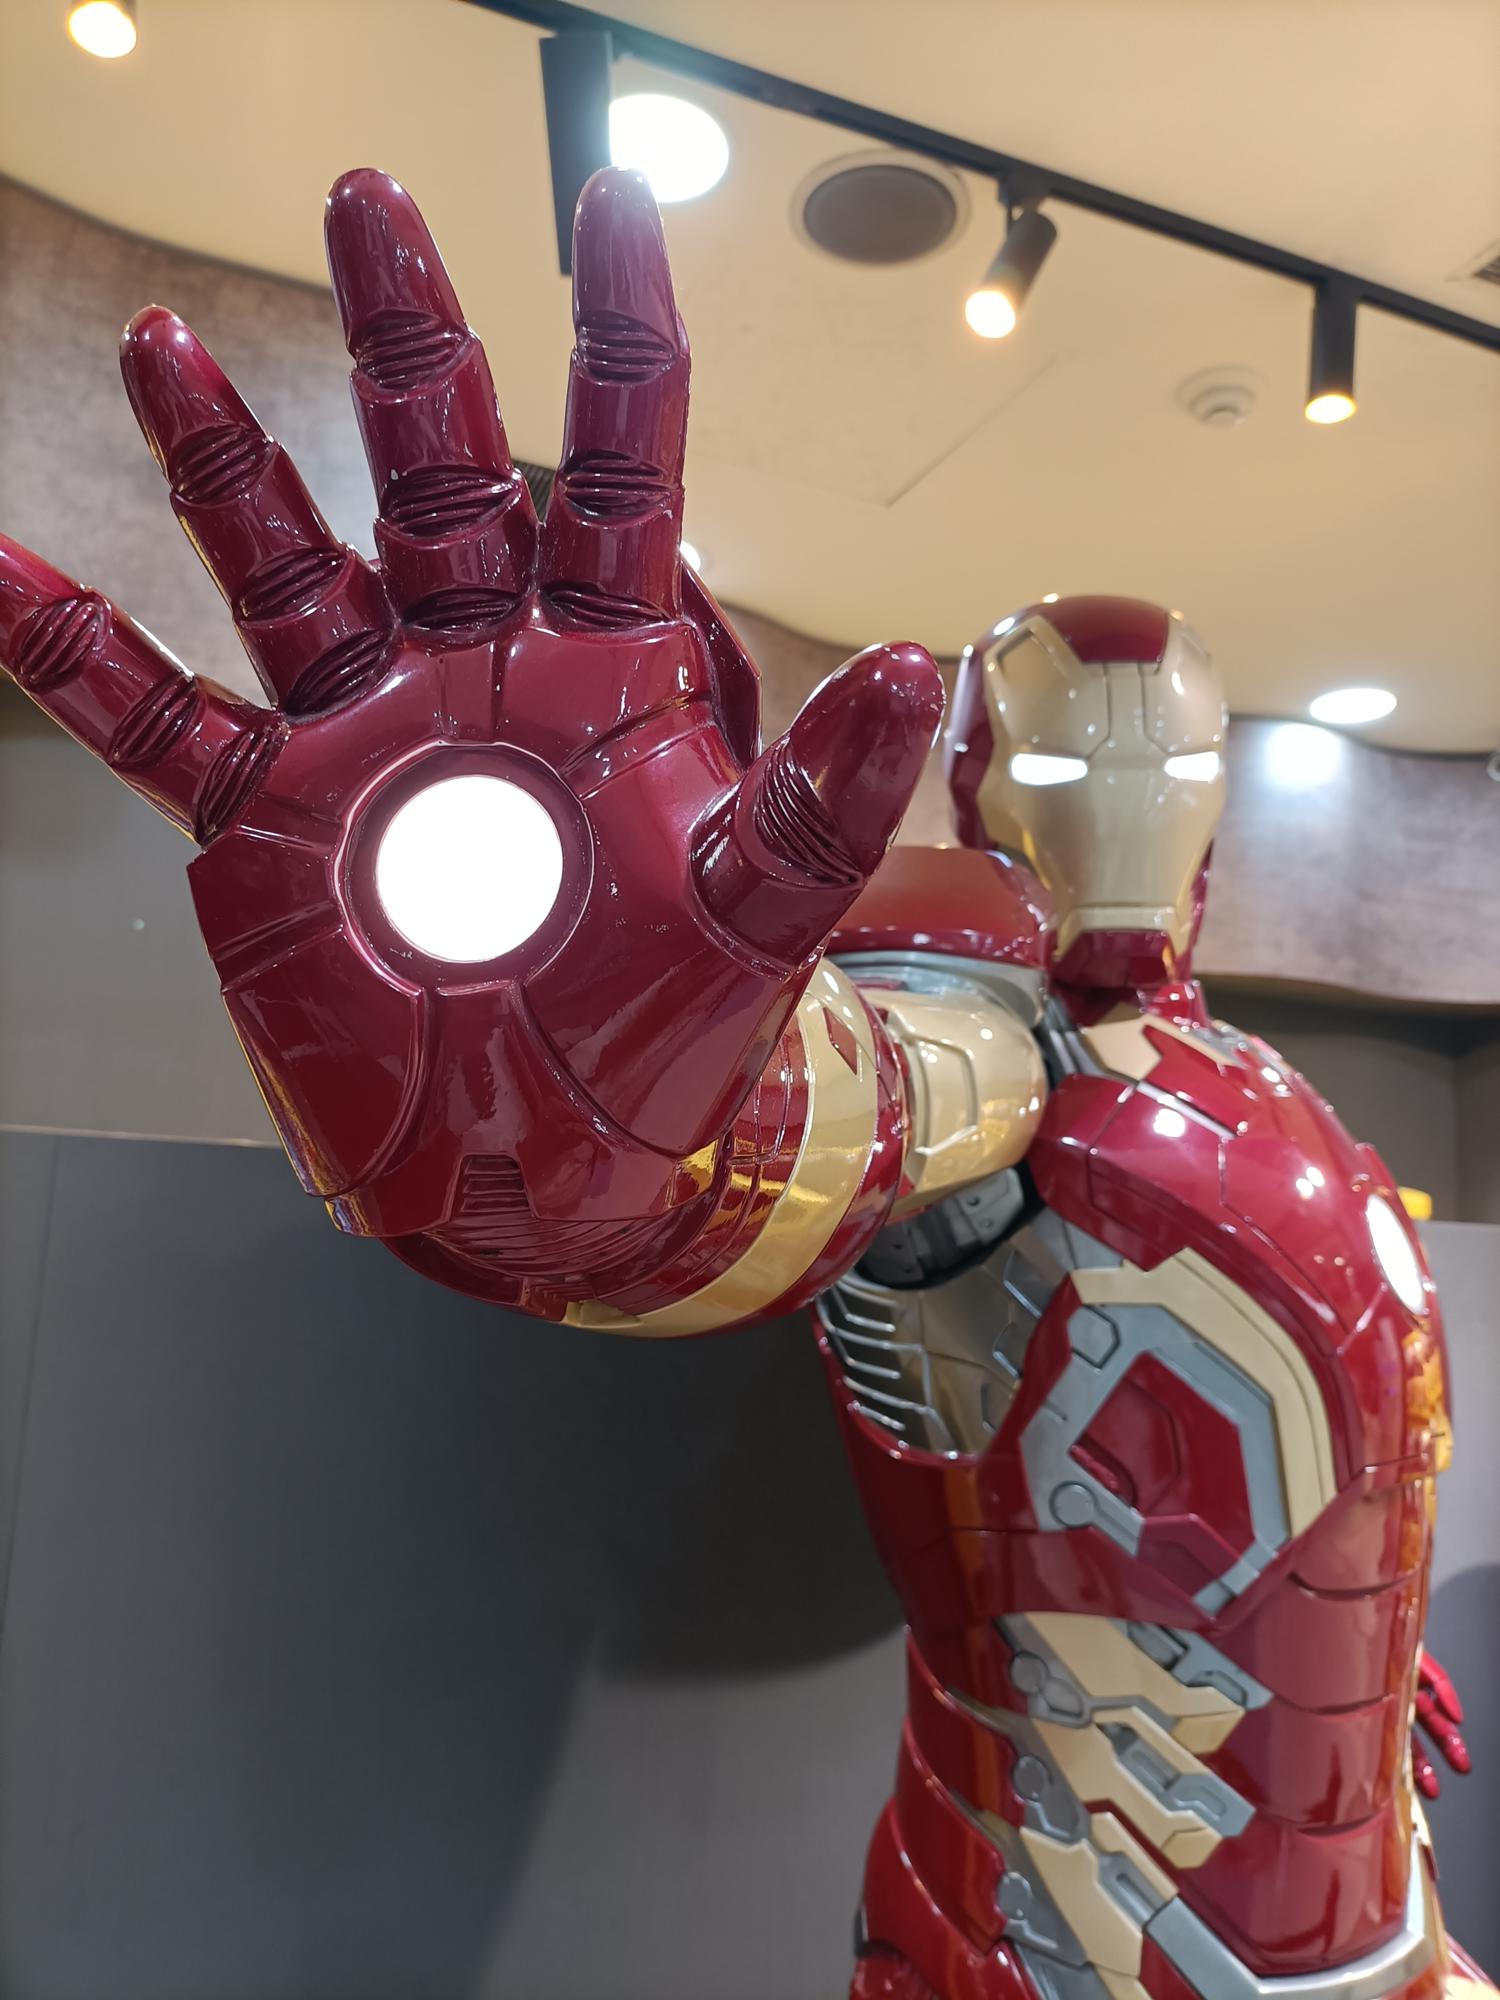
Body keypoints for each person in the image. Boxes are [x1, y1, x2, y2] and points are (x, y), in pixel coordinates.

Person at [0, 164, 1485, 2000]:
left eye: (1170, 761)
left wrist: (1358, 1665)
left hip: (1397, 1938)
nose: (1123, 799)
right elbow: (824, 1125)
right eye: (1059, 756)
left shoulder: (1258, 1083)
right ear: (972, 780)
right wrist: (577, 1086)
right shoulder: (987, 1029)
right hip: (1046, 1953)